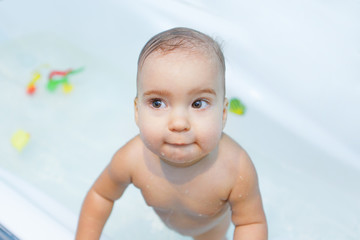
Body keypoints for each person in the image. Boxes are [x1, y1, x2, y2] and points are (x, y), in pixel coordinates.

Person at [76, 27, 267, 240]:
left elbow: (250, 222)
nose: (178, 123)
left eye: (198, 103)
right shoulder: (132, 159)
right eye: (157, 103)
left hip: (209, 233)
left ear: (223, 114)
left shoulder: (235, 169)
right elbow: (101, 196)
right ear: (137, 111)